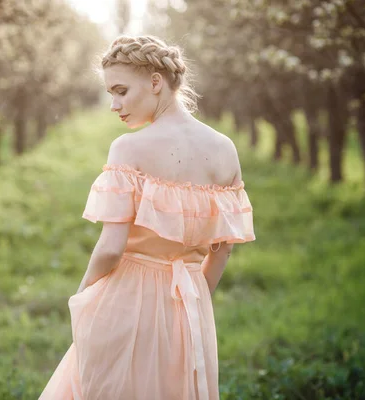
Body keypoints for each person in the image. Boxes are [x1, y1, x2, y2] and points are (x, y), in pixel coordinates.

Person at [39, 35, 255, 400]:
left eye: (121, 91)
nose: (114, 105)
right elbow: (222, 251)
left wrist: (82, 296)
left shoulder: (128, 148)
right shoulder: (225, 149)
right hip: (190, 306)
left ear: (156, 82)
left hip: (125, 299)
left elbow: (110, 249)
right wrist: (192, 301)